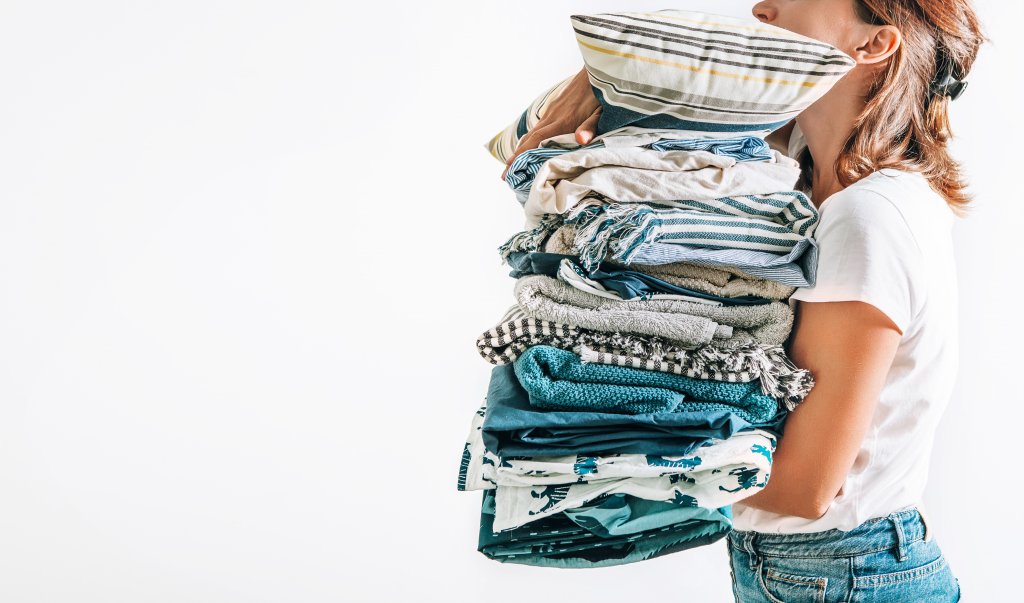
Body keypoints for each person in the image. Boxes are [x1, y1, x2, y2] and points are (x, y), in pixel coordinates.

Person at [500, 1, 985, 600]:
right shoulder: (782, 181)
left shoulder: (869, 216)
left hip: (849, 575)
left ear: (872, 44)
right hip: (820, 570)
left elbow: (803, 487)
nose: (761, 7)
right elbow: (523, 146)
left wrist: (576, 456)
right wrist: (595, 84)